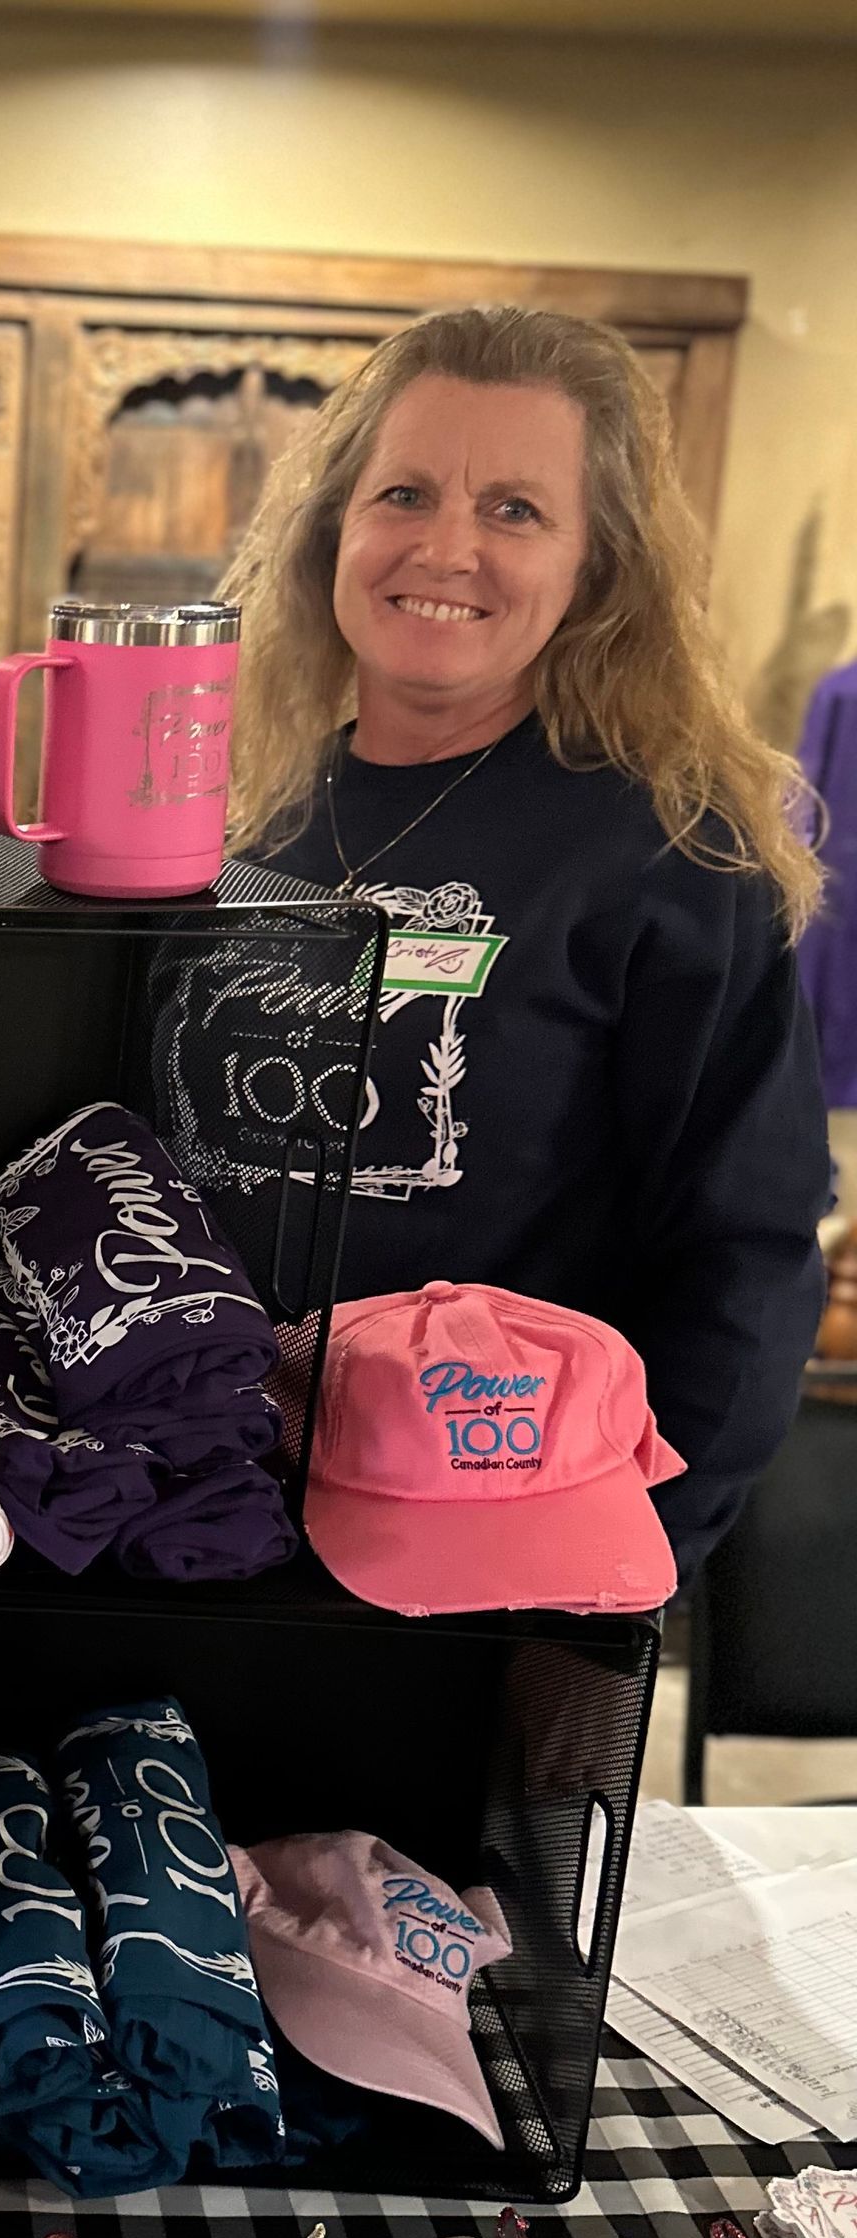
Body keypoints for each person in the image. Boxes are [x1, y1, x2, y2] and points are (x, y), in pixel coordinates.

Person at [220, 303, 830, 1579]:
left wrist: (628, 1572)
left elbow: (748, 1254)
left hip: (486, 1554)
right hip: (195, 1518)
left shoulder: (669, 851)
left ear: (594, 569)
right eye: (405, 492)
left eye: (515, 509)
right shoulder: (251, 814)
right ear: (336, 527)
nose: (446, 547)